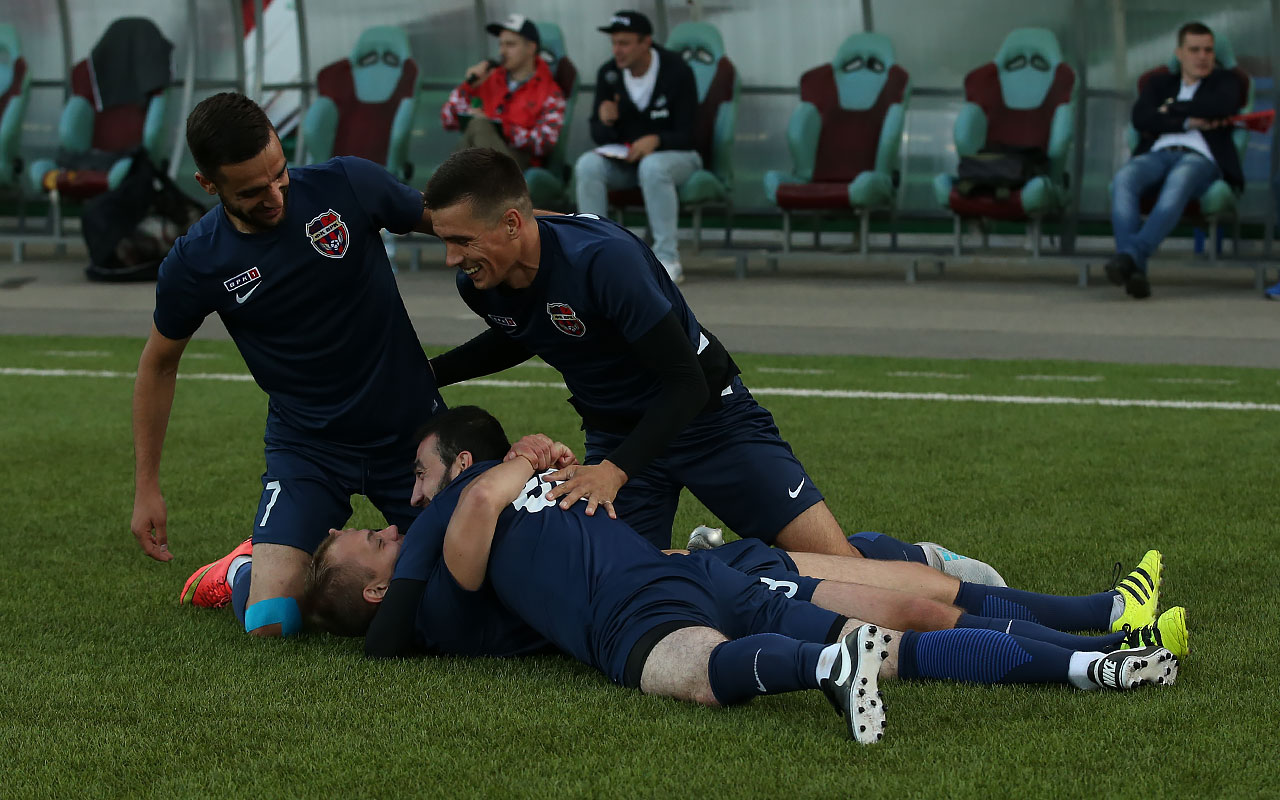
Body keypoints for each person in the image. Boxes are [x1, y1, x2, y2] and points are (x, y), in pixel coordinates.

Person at [305, 408, 1180, 745]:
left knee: (698, 671)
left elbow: (461, 522)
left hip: (645, 591)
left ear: (460, 463)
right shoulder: (469, 526)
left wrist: (515, 464)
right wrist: (524, 460)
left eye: (413, 485)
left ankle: (832, 664)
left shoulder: (467, 506)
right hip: (689, 571)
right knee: (906, 624)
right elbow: (443, 559)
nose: (397, 514)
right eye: (372, 538)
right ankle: (1095, 657)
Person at [422, 148, 1002, 581]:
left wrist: (614, 471)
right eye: (444, 240)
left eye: (461, 240)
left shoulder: (604, 261)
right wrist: (430, 373)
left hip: (709, 419)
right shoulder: (481, 283)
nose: (451, 258)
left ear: (512, 223)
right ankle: (715, 559)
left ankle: (922, 561)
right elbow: (522, 330)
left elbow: (686, 383)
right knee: (619, 583)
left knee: (840, 574)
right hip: (620, 433)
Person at [135, 92, 445, 638]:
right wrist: (147, 486)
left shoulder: (346, 183)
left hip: (412, 435)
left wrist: (572, 231)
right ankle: (240, 568)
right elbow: (159, 365)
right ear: (208, 184)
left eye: (279, 174)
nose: (275, 195)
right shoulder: (197, 261)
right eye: (252, 192)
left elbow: (462, 219)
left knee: (458, 587)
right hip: (309, 448)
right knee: (271, 622)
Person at [1106, 21, 1245, 299]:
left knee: (1179, 179)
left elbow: (1222, 105)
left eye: (1208, 50)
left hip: (1201, 158)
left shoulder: (1227, 81)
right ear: (1179, 53)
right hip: (1158, 153)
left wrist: (1169, 110)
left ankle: (1130, 256)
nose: (1202, 57)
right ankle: (1135, 271)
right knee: (1123, 179)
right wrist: (1186, 122)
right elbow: (1141, 118)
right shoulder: (1158, 83)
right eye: (1194, 50)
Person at [573, 10, 701, 283]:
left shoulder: (676, 70)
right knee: (587, 165)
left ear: (646, 43)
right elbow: (599, 135)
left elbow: (691, 134)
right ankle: (595, 256)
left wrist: (657, 140)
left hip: (679, 158)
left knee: (653, 166)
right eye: (614, 43)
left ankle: (666, 258)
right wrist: (605, 121)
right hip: (628, 161)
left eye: (625, 43)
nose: (617, 50)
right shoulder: (609, 73)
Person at [440, 13, 566, 173]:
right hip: (482, 162)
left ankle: (449, 184)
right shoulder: (487, 79)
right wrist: (468, 86)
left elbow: (545, 143)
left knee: (478, 125)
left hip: (519, 165)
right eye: (500, 44)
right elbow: (447, 119)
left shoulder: (550, 91)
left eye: (510, 45)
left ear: (531, 48)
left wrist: (499, 127)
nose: (502, 51)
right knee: (475, 129)